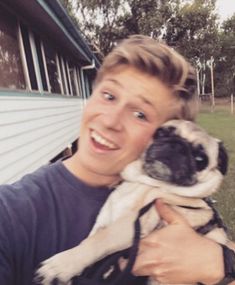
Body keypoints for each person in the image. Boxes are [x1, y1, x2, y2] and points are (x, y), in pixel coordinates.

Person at [0, 34, 232, 285]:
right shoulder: (11, 213)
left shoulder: (179, 199)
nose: (111, 121)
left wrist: (222, 264)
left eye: (140, 114)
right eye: (109, 96)